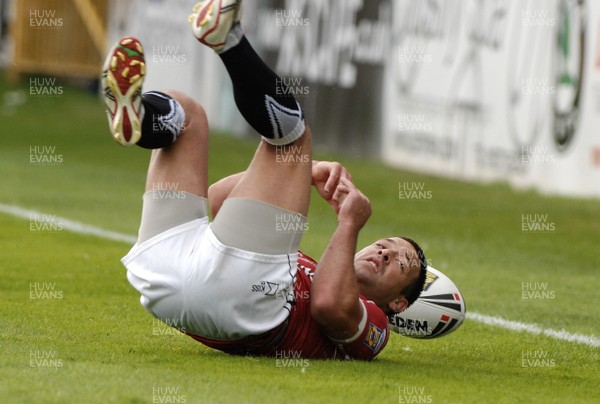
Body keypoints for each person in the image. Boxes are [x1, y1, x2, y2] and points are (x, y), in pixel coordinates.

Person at [102, 0, 427, 360]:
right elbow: (215, 200)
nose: (385, 251)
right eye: (386, 243)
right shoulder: (295, 262)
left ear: (398, 302)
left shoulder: (378, 326)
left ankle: (229, 41)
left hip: (240, 304)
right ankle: (140, 118)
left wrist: (349, 222)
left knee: (294, 141)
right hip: (167, 271)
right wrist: (303, 173)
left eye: (400, 262)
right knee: (188, 115)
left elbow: (330, 306)